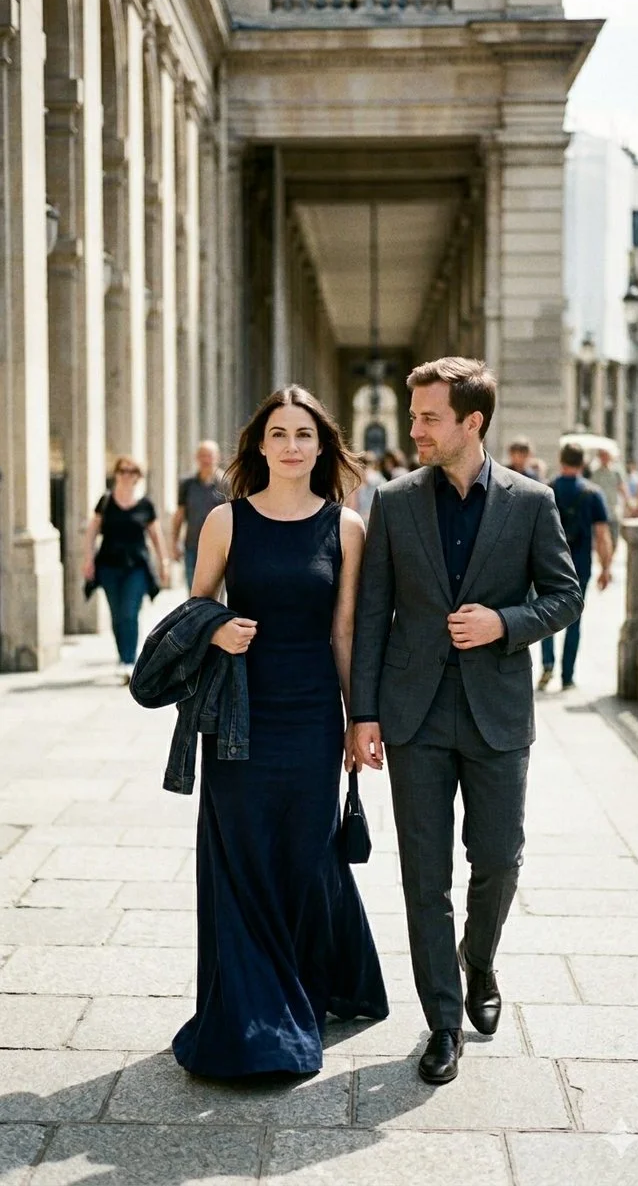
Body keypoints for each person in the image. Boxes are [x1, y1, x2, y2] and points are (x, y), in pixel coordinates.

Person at [351, 357, 582, 1086]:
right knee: (425, 876)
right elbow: (372, 616)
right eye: (414, 416)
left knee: (500, 858)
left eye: (428, 417)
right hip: (413, 713)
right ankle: (443, 1022)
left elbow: (565, 596)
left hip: (497, 714)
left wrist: (504, 623)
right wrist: (363, 714)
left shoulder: (531, 501)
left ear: (470, 422)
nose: (413, 427)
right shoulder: (392, 501)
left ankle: (478, 960)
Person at [172, 386, 388, 1079]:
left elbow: (345, 629)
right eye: (278, 434)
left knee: (301, 855)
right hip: (239, 715)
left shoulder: (345, 526)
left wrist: (361, 720)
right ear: (258, 446)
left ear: (322, 446)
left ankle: (304, 990)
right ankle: (252, 1019)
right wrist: (218, 629)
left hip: (313, 716)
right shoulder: (225, 521)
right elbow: (195, 609)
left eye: (304, 434)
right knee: (242, 854)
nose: (292, 445)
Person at [83, 455, 170, 683]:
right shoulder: (105, 502)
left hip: (136, 566)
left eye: (132, 471)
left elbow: (156, 535)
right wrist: (88, 559)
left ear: (138, 477)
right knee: (116, 614)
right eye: (122, 470)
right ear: (116, 473)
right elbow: (92, 531)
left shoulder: (145, 505)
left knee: (129, 612)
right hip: (109, 565)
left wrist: (164, 562)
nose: (126, 475)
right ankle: (123, 657)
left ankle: (130, 662)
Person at [538, 443, 612, 692]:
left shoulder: (547, 489)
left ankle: (547, 663)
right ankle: (567, 677)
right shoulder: (593, 493)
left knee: (545, 615)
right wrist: (606, 567)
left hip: (547, 565)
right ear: (583, 463)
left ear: (561, 460)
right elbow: (602, 535)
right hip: (579, 565)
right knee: (574, 620)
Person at [171, 440, 223, 592]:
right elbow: (179, 515)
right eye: (202, 456)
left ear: (217, 457)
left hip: (219, 549)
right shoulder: (187, 485)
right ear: (196, 458)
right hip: (192, 546)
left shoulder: (227, 483)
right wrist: (174, 543)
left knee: (217, 596)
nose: (206, 460)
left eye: (209, 456)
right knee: (194, 594)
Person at [590, 448, 627, 551]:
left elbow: (622, 488)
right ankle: (604, 564)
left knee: (614, 538)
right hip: (598, 510)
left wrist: (628, 503)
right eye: (602, 456)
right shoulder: (595, 472)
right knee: (600, 539)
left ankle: (609, 561)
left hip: (613, 509)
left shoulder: (616, 472)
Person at [347, 451, 384, 527]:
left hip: (360, 518)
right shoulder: (380, 478)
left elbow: (353, 504)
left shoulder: (356, 479)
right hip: (375, 518)